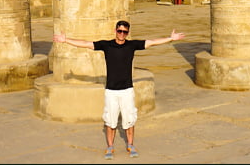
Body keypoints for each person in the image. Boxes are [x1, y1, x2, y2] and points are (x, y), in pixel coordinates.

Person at [53, 20, 185, 159]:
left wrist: (170, 38)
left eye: (125, 32)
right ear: (115, 30)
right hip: (111, 91)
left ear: (127, 33)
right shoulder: (106, 45)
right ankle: (110, 147)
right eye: (120, 31)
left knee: (129, 119)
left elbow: (152, 42)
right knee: (110, 121)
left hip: (127, 90)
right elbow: (86, 44)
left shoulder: (132, 45)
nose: (122, 34)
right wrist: (65, 40)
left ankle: (130, 144)